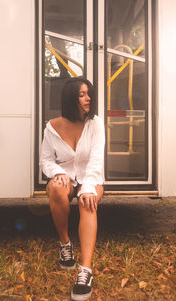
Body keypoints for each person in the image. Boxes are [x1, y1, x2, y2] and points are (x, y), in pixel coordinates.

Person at [40, 77, 105, 300]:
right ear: (71, 98)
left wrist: (87, 188)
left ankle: (85, 270)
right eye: (82, 94)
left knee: (89, 200)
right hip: (66, 176)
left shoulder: (95, 123)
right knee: (56, 188)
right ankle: (65, 245)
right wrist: (59, 173)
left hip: (90, 176)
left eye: (89, 93)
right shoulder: (52, 127)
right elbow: (46, 161)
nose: (88, 98)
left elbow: (96, 160)